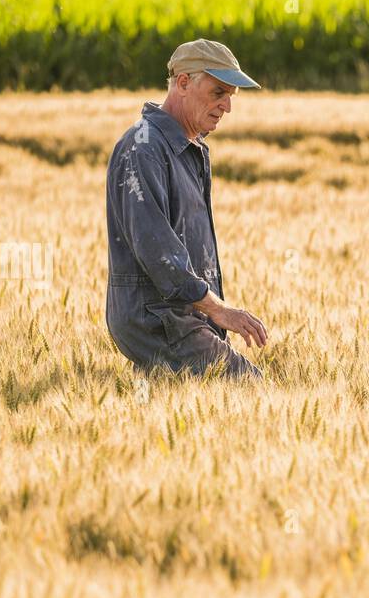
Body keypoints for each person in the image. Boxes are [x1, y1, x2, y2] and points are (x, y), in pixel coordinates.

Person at [105, 38, 268, 378]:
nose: (227, 107)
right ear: (183, 83)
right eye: (218, 93)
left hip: (182, 318)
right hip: (159, 319)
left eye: (230, 97)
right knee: (250, 387)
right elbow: (158, 250)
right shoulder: (143, 148)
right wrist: (219, 309)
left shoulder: (189, 148)